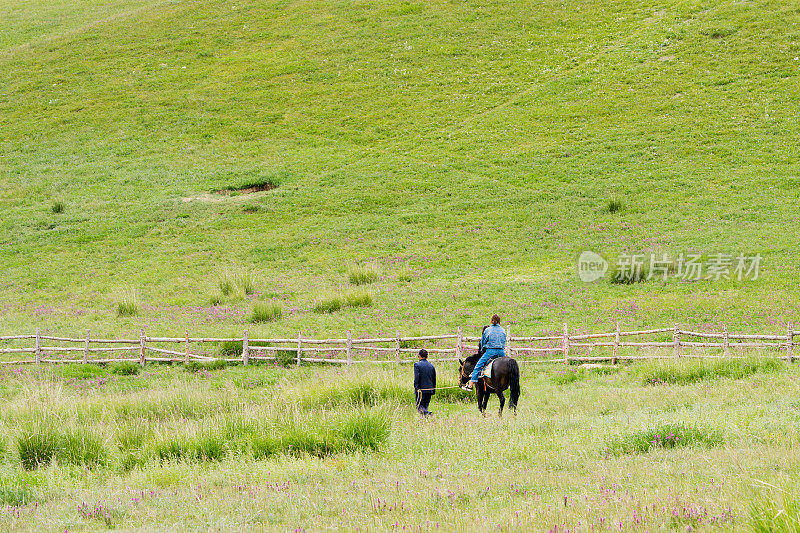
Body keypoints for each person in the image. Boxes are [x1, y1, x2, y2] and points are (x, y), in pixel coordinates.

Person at [462, 315, 506, 391]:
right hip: (501, 351)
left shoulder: (488, 330)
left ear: (491, 320)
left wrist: (482, 350)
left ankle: (470, 386)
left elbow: (483, 342)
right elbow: (504, 341)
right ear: (499, 321)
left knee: (478, 366)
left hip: (490, 351)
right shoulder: (503, 330)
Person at [413, 349, 436, 415]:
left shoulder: (417, 365)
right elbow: (434, 379)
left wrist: (416, 388)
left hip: (421, 390)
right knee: (425, 406)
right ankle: (425, 419)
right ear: (427, 356)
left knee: (419, 406)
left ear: (419, 356)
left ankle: (428, 413)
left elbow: (416, 378)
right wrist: (433, 390)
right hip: (429, 390)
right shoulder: (432, 366)